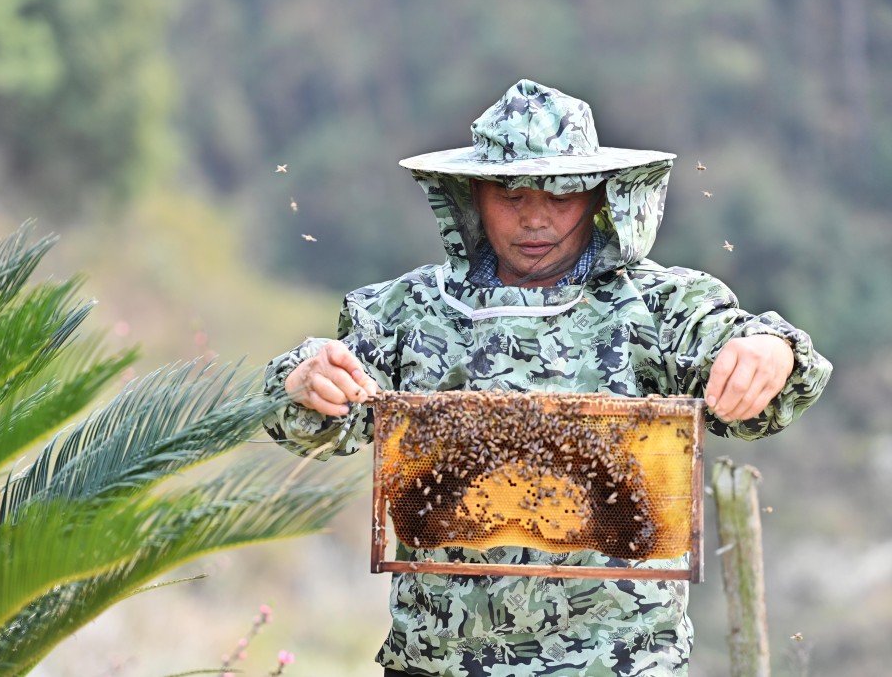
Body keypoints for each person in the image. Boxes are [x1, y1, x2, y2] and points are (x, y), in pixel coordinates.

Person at [263, 80, 831, 677]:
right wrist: (305, 381)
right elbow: (310, 419)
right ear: (471, 196)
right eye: (510, 194)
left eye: (560, 195)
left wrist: (772, 352)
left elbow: (759, 358)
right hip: (443, 661)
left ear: (597, 197)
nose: (534, 217)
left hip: (620, 662)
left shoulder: (662, 306)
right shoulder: (406, 312)